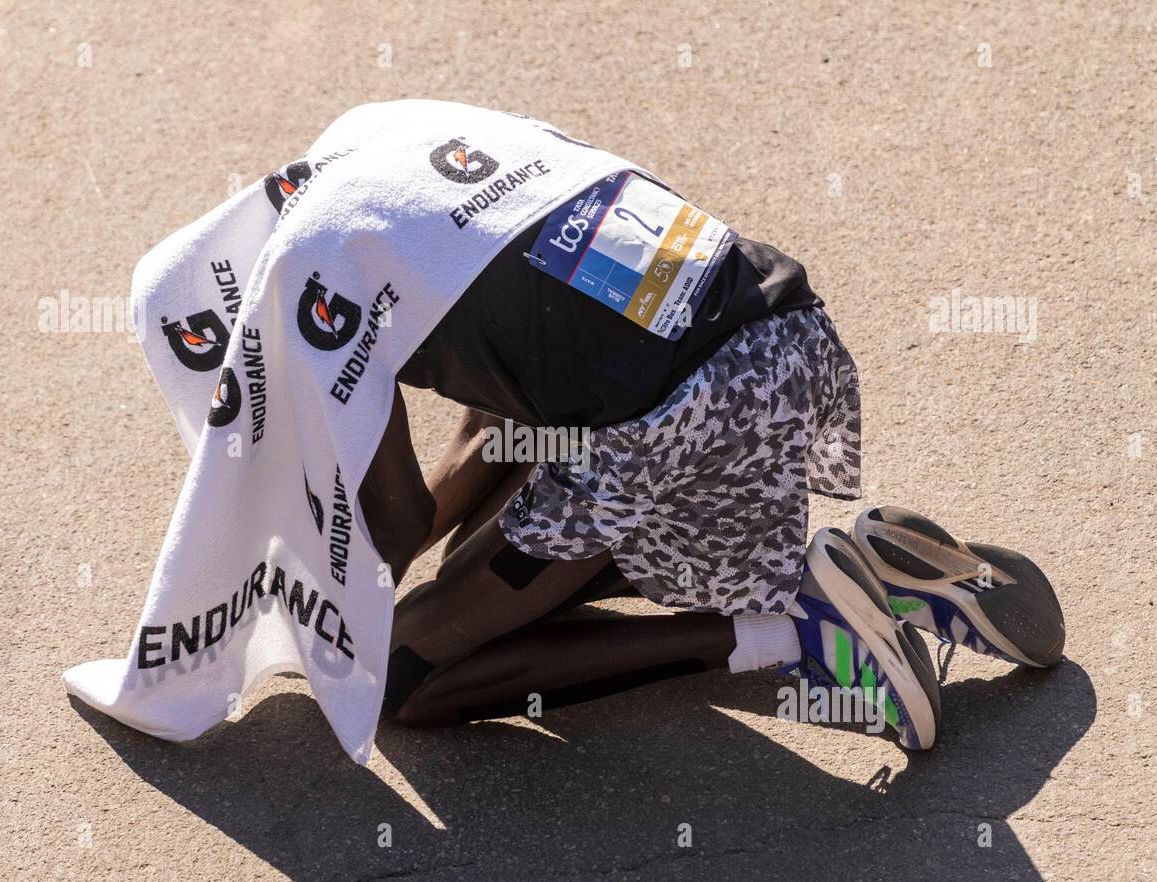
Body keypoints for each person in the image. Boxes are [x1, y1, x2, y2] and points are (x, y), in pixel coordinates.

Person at [355, 178, 1065, 753]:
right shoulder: (450, 180)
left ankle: (799, 624)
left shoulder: (323, 294)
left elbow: (398, 524)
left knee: (400, 675)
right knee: (474, 581)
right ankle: (861, 574)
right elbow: (495, 429)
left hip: (686, 417)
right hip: (791, 342)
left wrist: (323, 613)